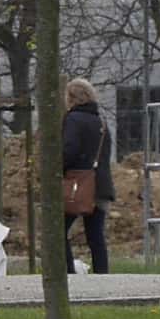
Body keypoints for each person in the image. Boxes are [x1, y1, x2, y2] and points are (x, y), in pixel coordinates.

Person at [59, 76, 114, 278]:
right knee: (95, 235)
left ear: (71, 98)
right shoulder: (101, 122)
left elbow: (69, 150)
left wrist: (58, 168)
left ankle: (68, 273)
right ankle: (102, 276)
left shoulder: (72, 119)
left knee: (58, 229)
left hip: (78, 185)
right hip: (100, 185)